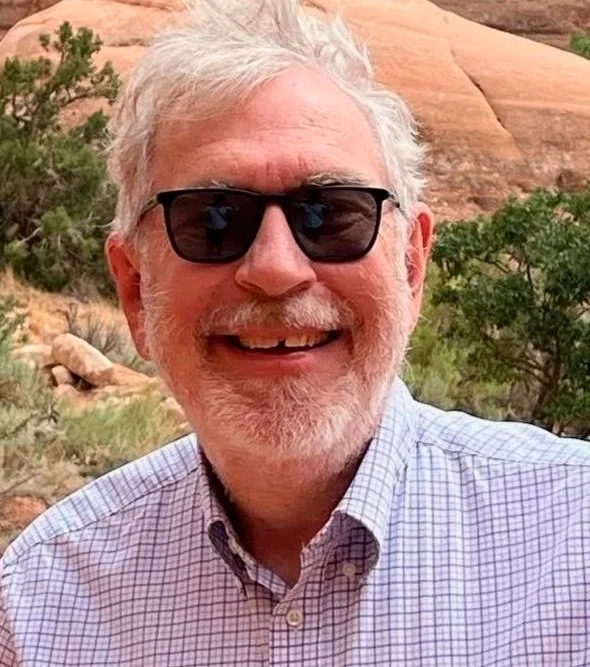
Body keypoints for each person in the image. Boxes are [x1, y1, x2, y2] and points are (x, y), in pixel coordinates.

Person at [1, 1, 588, 665]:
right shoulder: (40, 605)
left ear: (411, 266)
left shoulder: (573, 543)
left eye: (331, 214)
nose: (276, 269)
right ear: (135, 289)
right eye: (214, 219)